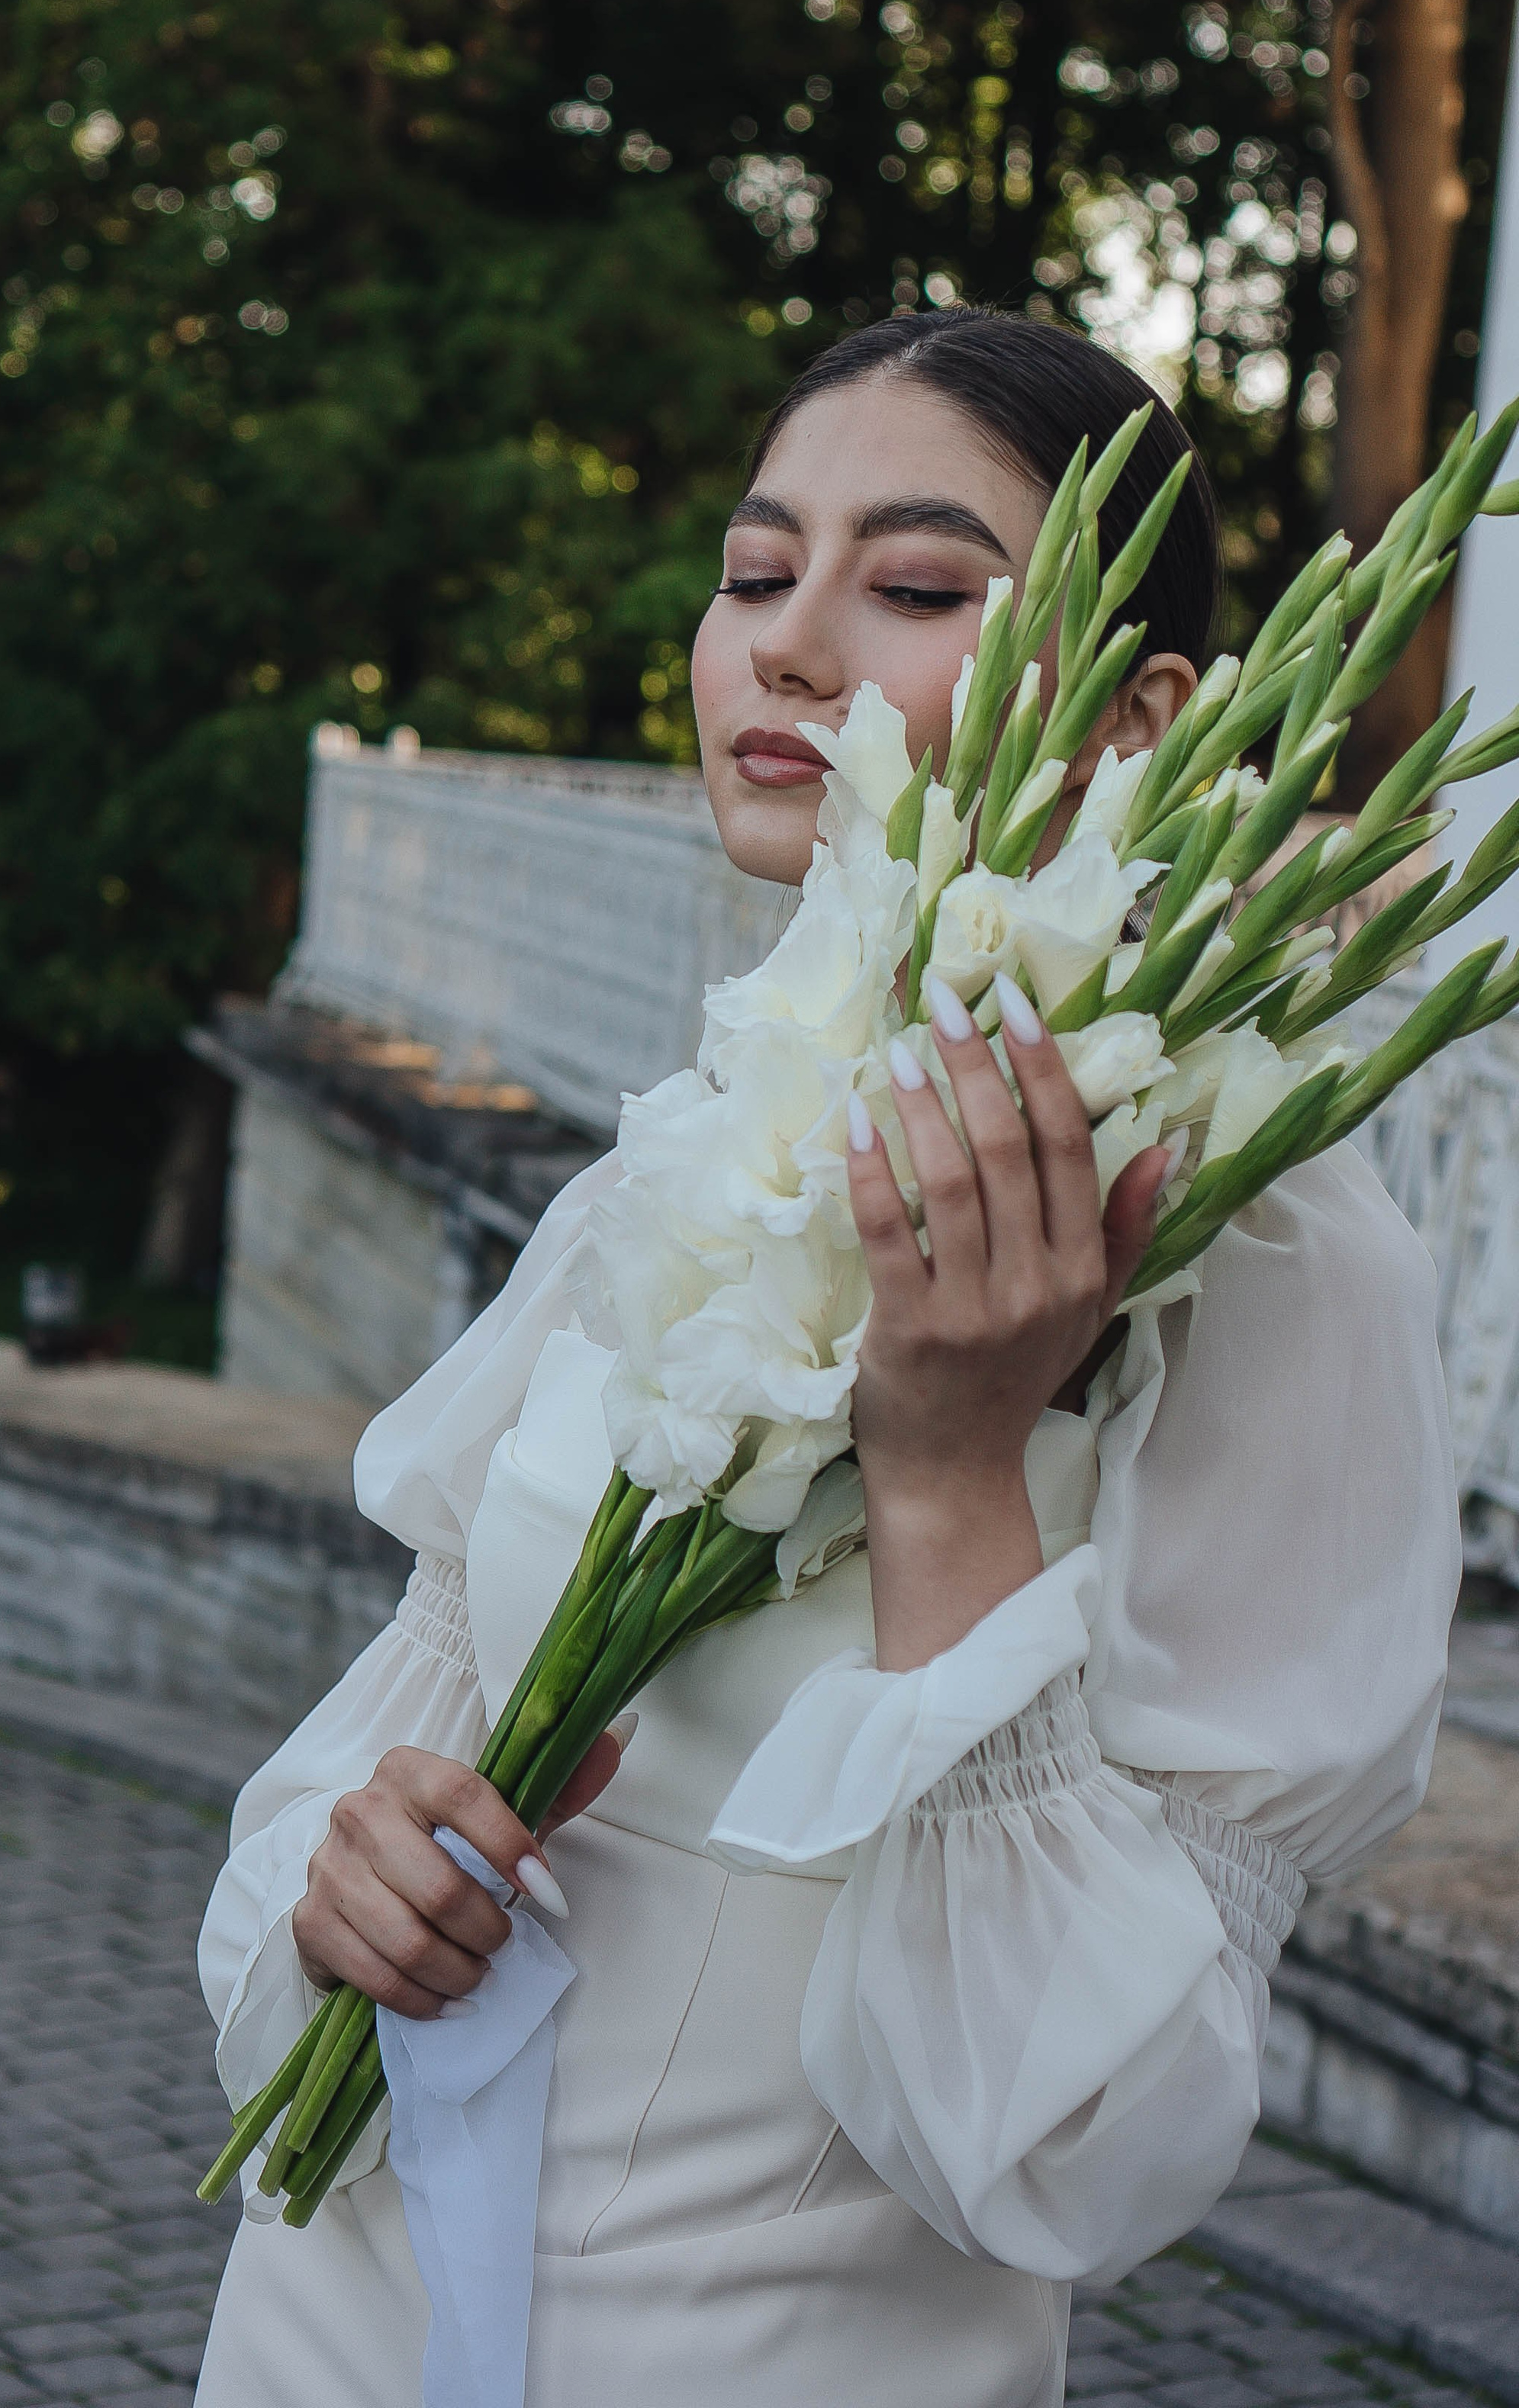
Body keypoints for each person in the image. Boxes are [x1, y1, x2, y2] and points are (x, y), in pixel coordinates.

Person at [193, 310, 1458, 2408]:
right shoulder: (699, 1148)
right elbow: (399, 1710)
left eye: (922, 586)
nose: (782, 648)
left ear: (1144, 712)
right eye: (758, 568)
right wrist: (352, 1883)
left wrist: (952, 1477)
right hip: (333, 2320)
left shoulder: (1261, 1247)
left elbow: (1074, 2150)